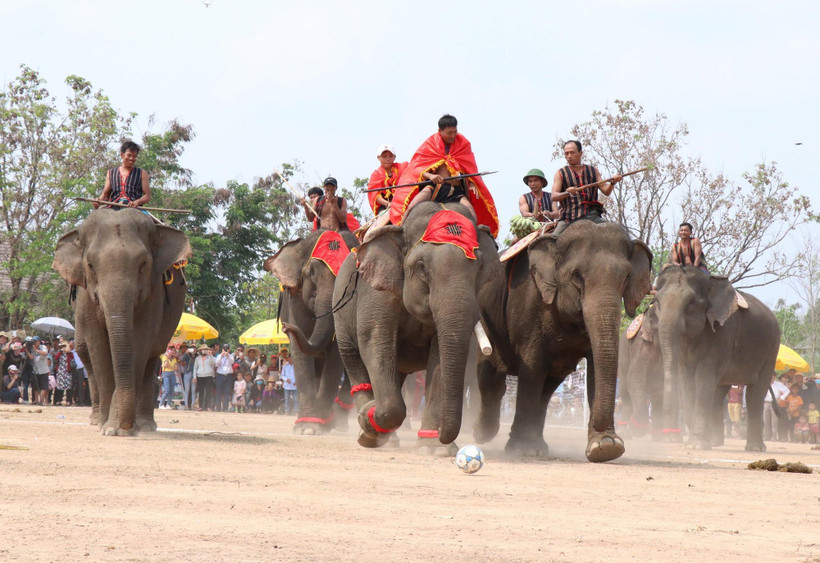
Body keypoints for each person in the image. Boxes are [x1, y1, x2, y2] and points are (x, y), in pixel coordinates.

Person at [393, 114, 499, 237]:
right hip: (436, 188)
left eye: (455, 132)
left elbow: (469, 167)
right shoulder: (430, 144)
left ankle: (475, 238)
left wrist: (471, 183)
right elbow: (416, 167)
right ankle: (399, 233)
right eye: (449, 133)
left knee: (471, 212)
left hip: (456, 191)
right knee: (412, 207)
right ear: (440, 131)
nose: (453, 136)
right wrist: (431, 176)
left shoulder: (463, 144)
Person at [551, 140, 621, 236]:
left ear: (580, 153)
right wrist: (567, 193)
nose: (569, 156)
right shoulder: (560, 173)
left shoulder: (593, 171)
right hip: (569, 218)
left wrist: (613, 182)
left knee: (615, 233)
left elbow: (606, 191)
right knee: (552, 240)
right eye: (566, 153)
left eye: (572, 152)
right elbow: (554, 196)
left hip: (591, 216)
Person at [95, 140, 151, 209]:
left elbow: (147, 196)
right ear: (122, 154)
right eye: (129, 155)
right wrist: (98, 201)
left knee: (148, 217)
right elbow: (105, 196)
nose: (131, 158)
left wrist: (137, 202)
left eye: (134, 156)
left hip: (134, 208)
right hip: (114, 206)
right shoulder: (111, 173)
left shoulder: (142, 173)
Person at [367, 144, 407, 215]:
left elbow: (413, 172)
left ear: (394, 157)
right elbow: (375, 195)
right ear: (378, 158)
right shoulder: (376, 174)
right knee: (384, 216)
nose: (388, 159)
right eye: (384, 156)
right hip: (385, 205)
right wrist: (387, 203)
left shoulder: (402, 167)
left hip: (403, 201)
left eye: (390, 156)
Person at [192, 345, 216, 411]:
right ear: (200, 350)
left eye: (205, 349)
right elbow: (195, 368)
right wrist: (194, 377)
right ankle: (200, 406)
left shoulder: (210, 357)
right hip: (200, 376)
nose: (204, 351)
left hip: (209, 376)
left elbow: (213, 364)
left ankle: (208, 406)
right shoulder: (197, 358)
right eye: (203, 349)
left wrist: (211, 355)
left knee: (208, 391)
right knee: (201, 392)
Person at [214, 345, 234, 412]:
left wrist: (227, 356)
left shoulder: (231, 356)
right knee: (218, 392)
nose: (225, 350)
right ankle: (218, 407)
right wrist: (221, 356)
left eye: (227, 349)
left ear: (229, 350)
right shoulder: (219, 356)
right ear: (222, 349)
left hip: (228, 376)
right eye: (224, 349)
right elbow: (217, 363)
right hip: (220, 375)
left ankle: (225, 407)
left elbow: (232, 362)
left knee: (227, 392)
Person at [178, 345, 197, 410]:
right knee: (187, 390)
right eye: (192, 348)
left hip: (194, 374)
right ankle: (186, 405)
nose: (193, 350)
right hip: (187, 373)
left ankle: (192, 405)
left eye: (194, 348)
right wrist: (186, 353)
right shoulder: (187, 355)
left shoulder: (197, 356)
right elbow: (181, 360)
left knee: (193, 390)